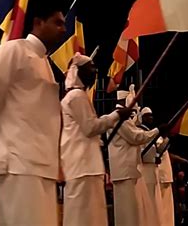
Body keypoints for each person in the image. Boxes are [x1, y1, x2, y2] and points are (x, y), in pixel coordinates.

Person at [0, 4, 66, 226]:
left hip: (40, 164)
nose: (63, 29)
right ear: (38, 23)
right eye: (57, 22)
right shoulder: (12, 50)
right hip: (17, 162)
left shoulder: (44, 62)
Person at [60, 52, 132, 226]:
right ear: (78, 71)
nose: (95, 70)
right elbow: (91, 127)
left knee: (90, 214)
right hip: (82, 164)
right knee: (84, 216)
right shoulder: (76, 96)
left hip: (85, 164)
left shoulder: (78, 96)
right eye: (90, 67)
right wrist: (116, 115)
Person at [108, 87, 170, 226]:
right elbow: (136, 136)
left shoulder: (123, 118)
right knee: (128, 212)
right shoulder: (119, 118)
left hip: (126, 171)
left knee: (132, 211)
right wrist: (158, 130)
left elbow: (135, 128)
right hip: (125, 171)